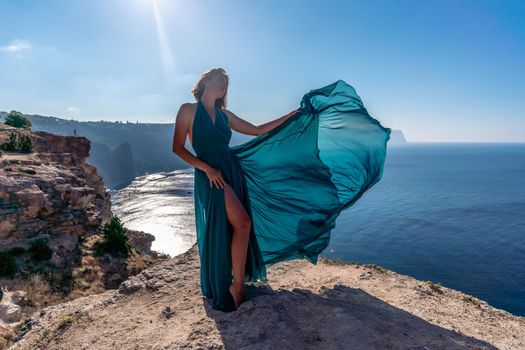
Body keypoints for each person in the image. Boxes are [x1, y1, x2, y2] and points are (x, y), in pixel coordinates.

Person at [172, 67, 391, 312]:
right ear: (206, 81)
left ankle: (237, 281)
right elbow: (178, 148)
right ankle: (236, 285)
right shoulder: (187, 110)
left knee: (239, 225)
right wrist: (208, 170)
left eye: (226, 82)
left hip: (231, 171)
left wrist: (290, 116)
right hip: (211, 175)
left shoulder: (225, 115)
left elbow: (257, 130)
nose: (223, 85)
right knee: (241, 223)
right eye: (220, 80)